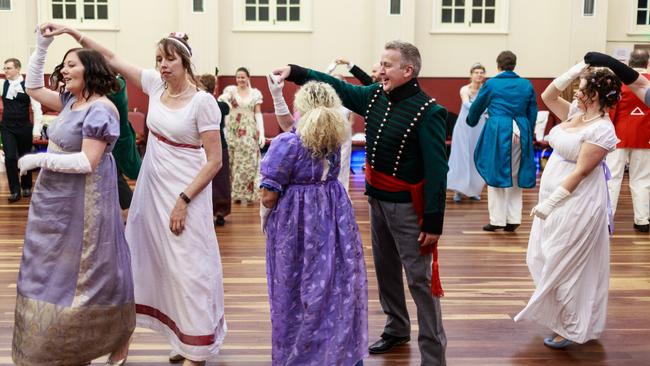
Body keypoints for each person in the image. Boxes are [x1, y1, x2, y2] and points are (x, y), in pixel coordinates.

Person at [42, 24, 227, 365]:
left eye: (169, 59)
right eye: (159, 59)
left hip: (186, 193)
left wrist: (184, 201)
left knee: (188, 266)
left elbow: (215, 161)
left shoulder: (203, 103)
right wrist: (72, 32)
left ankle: (197, 349)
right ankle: (174, 338)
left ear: (186, 62)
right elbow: (111, 58)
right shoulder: (156, 87)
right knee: (148, 263)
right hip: (151, 189)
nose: (162, 66)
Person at [273, 40, 448, 366]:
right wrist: (297, 72)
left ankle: (434, 356)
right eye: (380, 64)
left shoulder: (430, 112)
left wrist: (434, 221)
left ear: (407, 71)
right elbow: (338, 86)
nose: (380, 70)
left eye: (387, 65)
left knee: (419, 281)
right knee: (386, 270)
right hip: (377, 200)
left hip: (409, 209)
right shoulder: (374, 96)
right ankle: (397, 327)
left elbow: (438, 171)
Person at [12, 26, 135, 365]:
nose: (64, 70)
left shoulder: (100, 109)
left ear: (90, 70)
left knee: (93, 267)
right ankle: (69, 341)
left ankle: (116, 336)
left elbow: (87, 161)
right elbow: (33, 86)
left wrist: (39, 159)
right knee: (56, 267)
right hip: (55, 197)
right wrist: (42, 44)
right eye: (63, 65)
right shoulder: (71, 100)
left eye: (71, 65)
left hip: (87, 197)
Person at [260, 81, 368, 366]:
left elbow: (269, 195)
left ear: (302, 107)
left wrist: (266, 221)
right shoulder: (333, 137)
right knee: (332, 284)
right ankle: (338, 351)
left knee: (295, 287)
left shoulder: (288, 143)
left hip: (297, 221)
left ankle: (301, 356)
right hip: (333, 214)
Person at [514, 64, 621, 349]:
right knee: (542, 257)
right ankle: (559, 317)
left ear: (595, 94)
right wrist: (576, 70)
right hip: (553, 199)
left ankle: (570, 327)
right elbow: (548, 96)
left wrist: (550, 203)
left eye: (583, 87)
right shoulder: (575, 113)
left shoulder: (602, 129)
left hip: (577, 203)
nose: (576, 90)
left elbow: (581, 173)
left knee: (566, 264)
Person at [467, 51, 538, 232]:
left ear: (498, 65)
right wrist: (527, 130)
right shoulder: (526, 84)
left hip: (499, 129)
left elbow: (477, 106)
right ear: (514, 65)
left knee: (495, 172)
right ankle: (513, 219)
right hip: (521, 129)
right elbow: (532, 110)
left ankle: (497, 220)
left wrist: (471, 120)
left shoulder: (491, 84)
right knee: (515, 175)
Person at [267, 71, 353, 192]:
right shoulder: (336, 131)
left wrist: (277, 95)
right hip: (332, 195)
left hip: (303, 199)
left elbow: (290, 127)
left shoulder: (295, 139)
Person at [605, 50, 650, 233]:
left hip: (619, 135)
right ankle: (642, 220)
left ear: (629, 63)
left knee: (612, 178)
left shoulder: (620, 81)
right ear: (647, 63)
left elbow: (612, 109)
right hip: (645, 136)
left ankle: (608, 219)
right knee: (642, 179)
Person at [218, 67, 264, 204]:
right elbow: (225, 109)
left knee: (248, 162)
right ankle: (234, 194)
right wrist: (224, 128)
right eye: (238, 77)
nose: (240, 80)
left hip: (248, 129)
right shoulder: (230, 92)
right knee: (232, 161)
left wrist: (262, 132)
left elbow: (258, 113)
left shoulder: (255, 94)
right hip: (233, 129)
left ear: (248, 77)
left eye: (243, 77)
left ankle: (248, 194)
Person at [1, 57, 43, 202]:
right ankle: (14, 191)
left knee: (25, 157)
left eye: (8, 68)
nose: (5, 70)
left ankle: (26, 186)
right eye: (4, 68)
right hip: (7, 127)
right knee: (11, 157)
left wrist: (36, 130)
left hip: (24, 127)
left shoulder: (28, 85)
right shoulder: (2, 84)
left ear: (17, 69)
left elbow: (37, 108)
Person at [447, 63, 487, 202]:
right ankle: (458, 190)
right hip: (464, 126)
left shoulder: (485, 89)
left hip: (479, 126)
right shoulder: (465, 89)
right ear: (471, 75)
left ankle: (473, 190)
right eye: (476, 72)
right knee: (461, 157)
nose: (479, 75)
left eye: (481, 72)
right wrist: (482, 109)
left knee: (475, 158)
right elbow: (466, 103)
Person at [199, 73, 232, 226]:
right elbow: (226, 108)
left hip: (202, 146)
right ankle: (220, 211)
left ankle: (205, 211)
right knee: (221, 181)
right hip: (219, 146)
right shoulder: (220, 105)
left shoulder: (199, 103)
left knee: (204, 179)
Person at [108, 75, 142, 210]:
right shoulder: (117, 83)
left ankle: (133, 209)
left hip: (119, 140)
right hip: (114, 140)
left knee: (122, 176)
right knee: (114, 177)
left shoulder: (117, 85)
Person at [585, 51, 650, 106]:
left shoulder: (616, 81)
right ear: (648, 63)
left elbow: (611, 107)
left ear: (629, 62)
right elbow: (641, 86)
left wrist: (609, 62)